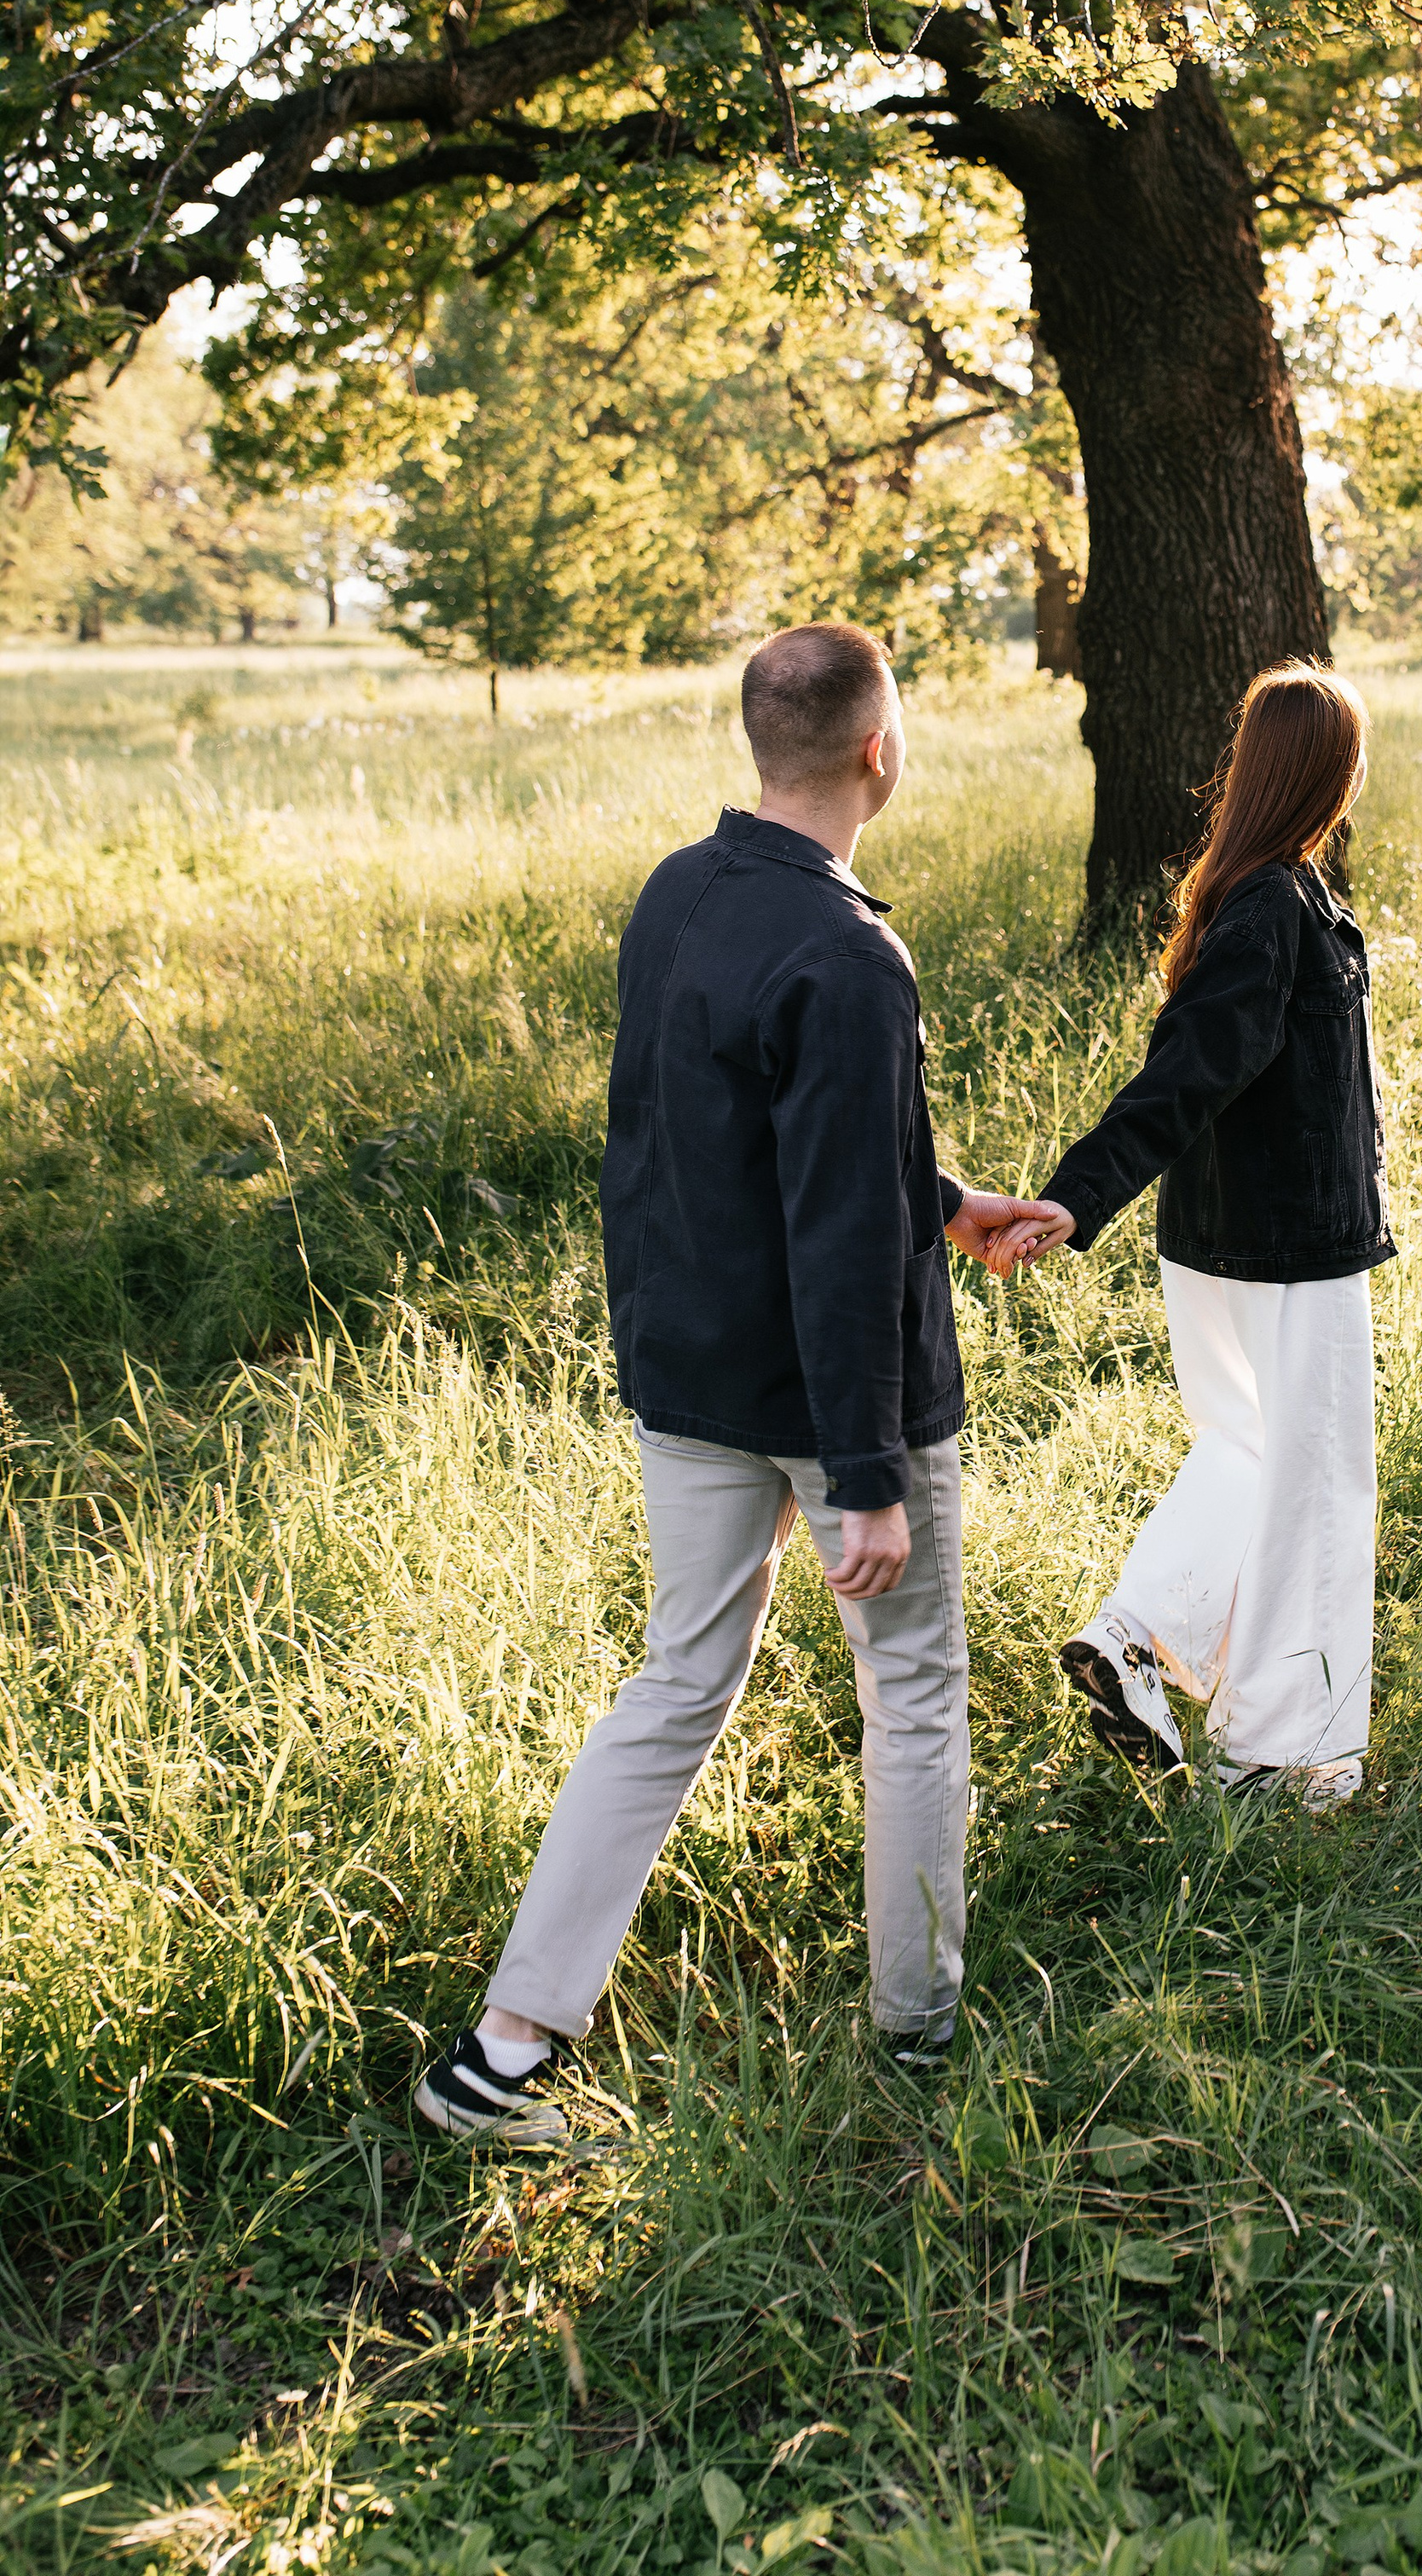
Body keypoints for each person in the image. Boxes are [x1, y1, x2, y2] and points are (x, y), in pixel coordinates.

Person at [413, 622, 1047, 2145]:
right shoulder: (851, 953)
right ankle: (917, 2034)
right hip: (830, 1402)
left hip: (687, 1374)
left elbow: (756, 1143)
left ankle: (501, 2054)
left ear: (762, 747)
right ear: (878, 755)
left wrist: (943, 1199)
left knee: (674, 1686)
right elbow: (832, 1237)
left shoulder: (680, 893)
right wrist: (871, 1470)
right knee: (909, 1695)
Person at [991, 664, 1392, 1805]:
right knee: (1313, 1489)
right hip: (1283, 1254)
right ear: (1333, 771)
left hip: (1227, 1245)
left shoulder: (1260, 893)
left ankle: (1135, 1640)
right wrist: (1078, 1196)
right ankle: (1278, 1753)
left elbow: (1211, 1073)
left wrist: (1084, 1197)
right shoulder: (1274, 905)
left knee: (1251, 1455)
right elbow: (1189, 1073)